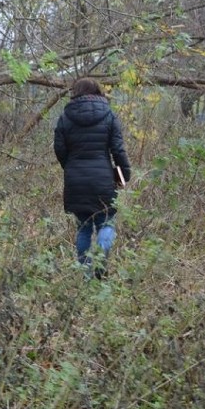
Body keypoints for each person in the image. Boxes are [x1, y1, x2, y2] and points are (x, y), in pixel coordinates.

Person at [54, 78, 131, 279]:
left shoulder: (65, 117)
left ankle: (86, 275)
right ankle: (100, 262)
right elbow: (118, 149)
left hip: (75, 180)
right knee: (106, 222)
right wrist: (125, 173)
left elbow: (59, 149)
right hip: (103, 178)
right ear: (98, 91)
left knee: (84, 226)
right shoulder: (109, 115)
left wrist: (70, 167)